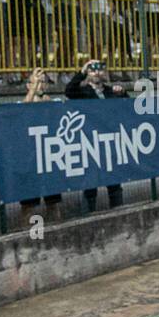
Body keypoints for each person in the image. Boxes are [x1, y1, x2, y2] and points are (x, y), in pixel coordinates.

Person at [65, 59, 126, 214]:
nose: (96, 73)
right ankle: (88, 217)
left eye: (99, 70)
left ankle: (119, 214)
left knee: (114, 184)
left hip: (110, 145)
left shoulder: (111, 91)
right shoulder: (82, 92)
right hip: (91, 146)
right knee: (90, 186)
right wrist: (82, 71)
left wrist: (123, 93)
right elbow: (69, 91)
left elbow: (127, 109)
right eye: (92, 70)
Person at [18, 67, 63, 226]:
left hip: (49, 159)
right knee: (29, 206)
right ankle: (29, 237)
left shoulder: (52, 101)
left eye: (43, 82)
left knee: (54, 203)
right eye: (36, 82)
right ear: (28, 85)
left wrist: (42, 95)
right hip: (29, 162)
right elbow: (21, 113)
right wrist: (33, 92)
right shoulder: (21, 103)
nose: (40, 85)